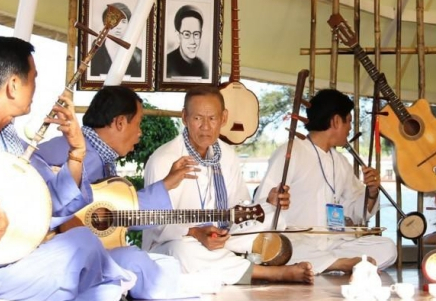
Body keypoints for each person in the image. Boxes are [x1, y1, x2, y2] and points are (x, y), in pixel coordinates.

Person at [0, 36, 133, 300]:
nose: (35, 88)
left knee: (98, 273)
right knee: (85, 251)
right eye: (34, 78)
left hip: (3, 268)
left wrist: (77, 152)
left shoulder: (12, 143)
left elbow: (50, 202)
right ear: (14, 85)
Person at [35, 86, 220, 299]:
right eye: (138, 123)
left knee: (160, 262)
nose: (140, 133)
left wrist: (167, 184)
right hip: (51, 259)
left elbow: (115, 211)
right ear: (120, 123)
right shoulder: (77, 154)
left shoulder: (96, 154)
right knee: (135, 261)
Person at [143, 86, 314, 284]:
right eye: (198, 118)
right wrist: (197, 233)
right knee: (183, 252)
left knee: (269, 221)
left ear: (223, 118)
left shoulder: (227, 155)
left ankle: (230, 263)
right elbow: (156, 223)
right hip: (175, 244)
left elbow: (238, 209)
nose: (206, 126)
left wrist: (269, 202)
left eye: (212, 118)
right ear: (184, 117)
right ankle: (271, 273)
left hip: (221, 238)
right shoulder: (164, 159)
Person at [254, 89, 397, 274]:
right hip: (298, 242)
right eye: (349, 122)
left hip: (335, 244)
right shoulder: (291, 151)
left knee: (387, 247)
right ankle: (337, 265)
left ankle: (330, 264)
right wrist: (273, 200)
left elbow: (356, 213)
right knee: (282, 248)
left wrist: (371, 192)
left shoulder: (340, 161)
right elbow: (261, 204)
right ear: (336, 121)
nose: (350, 128)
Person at [90, 2, 143, 78]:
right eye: (115, 21)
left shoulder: (139, 56)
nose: (119, 27)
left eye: (123, 22)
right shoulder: (94, 51)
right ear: (105, 23)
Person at [165, 4, 209, 79]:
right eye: (187, 34)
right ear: (178, 36)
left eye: (196, 34)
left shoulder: (203, 67)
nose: (192, 41)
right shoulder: (166, 65)